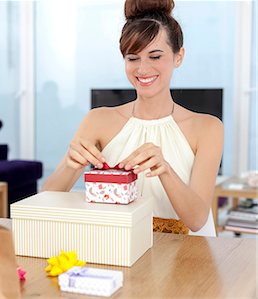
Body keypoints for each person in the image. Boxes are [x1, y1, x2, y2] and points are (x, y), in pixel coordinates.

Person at [42, 0, 223, 237]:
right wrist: (69, 163)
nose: (142, 69)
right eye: (133, 58)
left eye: (155, 56)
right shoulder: (98, 120)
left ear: (179, 57)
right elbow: (46, 201)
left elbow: (198, 219)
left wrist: (165, 170)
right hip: (118, 248)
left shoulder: (208, 128)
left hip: (187, 257)